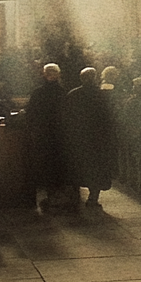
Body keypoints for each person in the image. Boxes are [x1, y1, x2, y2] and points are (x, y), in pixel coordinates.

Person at [63, 67, 118, 207]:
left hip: (80, 137)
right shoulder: (101, 95)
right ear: (94, 78)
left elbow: (67, 117)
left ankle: (75, 196)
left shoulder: (73, 94)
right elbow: (109, 117)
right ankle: (93, 197)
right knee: (96, 167)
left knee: (78, 165)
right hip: (97, 138)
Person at [26, 63, 72, 209]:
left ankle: (49, 194)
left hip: (43, 135)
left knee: (46, 164)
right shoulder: (63, 92)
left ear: (45, 75)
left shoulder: (38, 93)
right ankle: (59, 194)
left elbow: (30, 113)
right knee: (58, 164)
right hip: (59, 135)